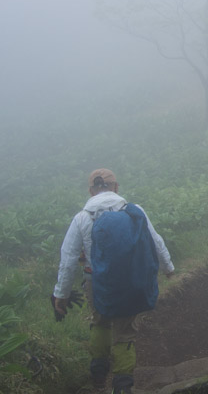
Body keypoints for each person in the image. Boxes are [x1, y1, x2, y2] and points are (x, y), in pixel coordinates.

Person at [52, 168, 175, 394]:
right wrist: (169, 267)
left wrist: (62, 293)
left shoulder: (82, 218)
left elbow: (68, 259)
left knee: (100, 322)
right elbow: (155, 241)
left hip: (96, 283)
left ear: (91, 191)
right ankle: (122, 386)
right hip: (130, 281)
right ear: (116, 187)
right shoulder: (135, 212)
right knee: (125, 331)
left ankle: (99, 379)